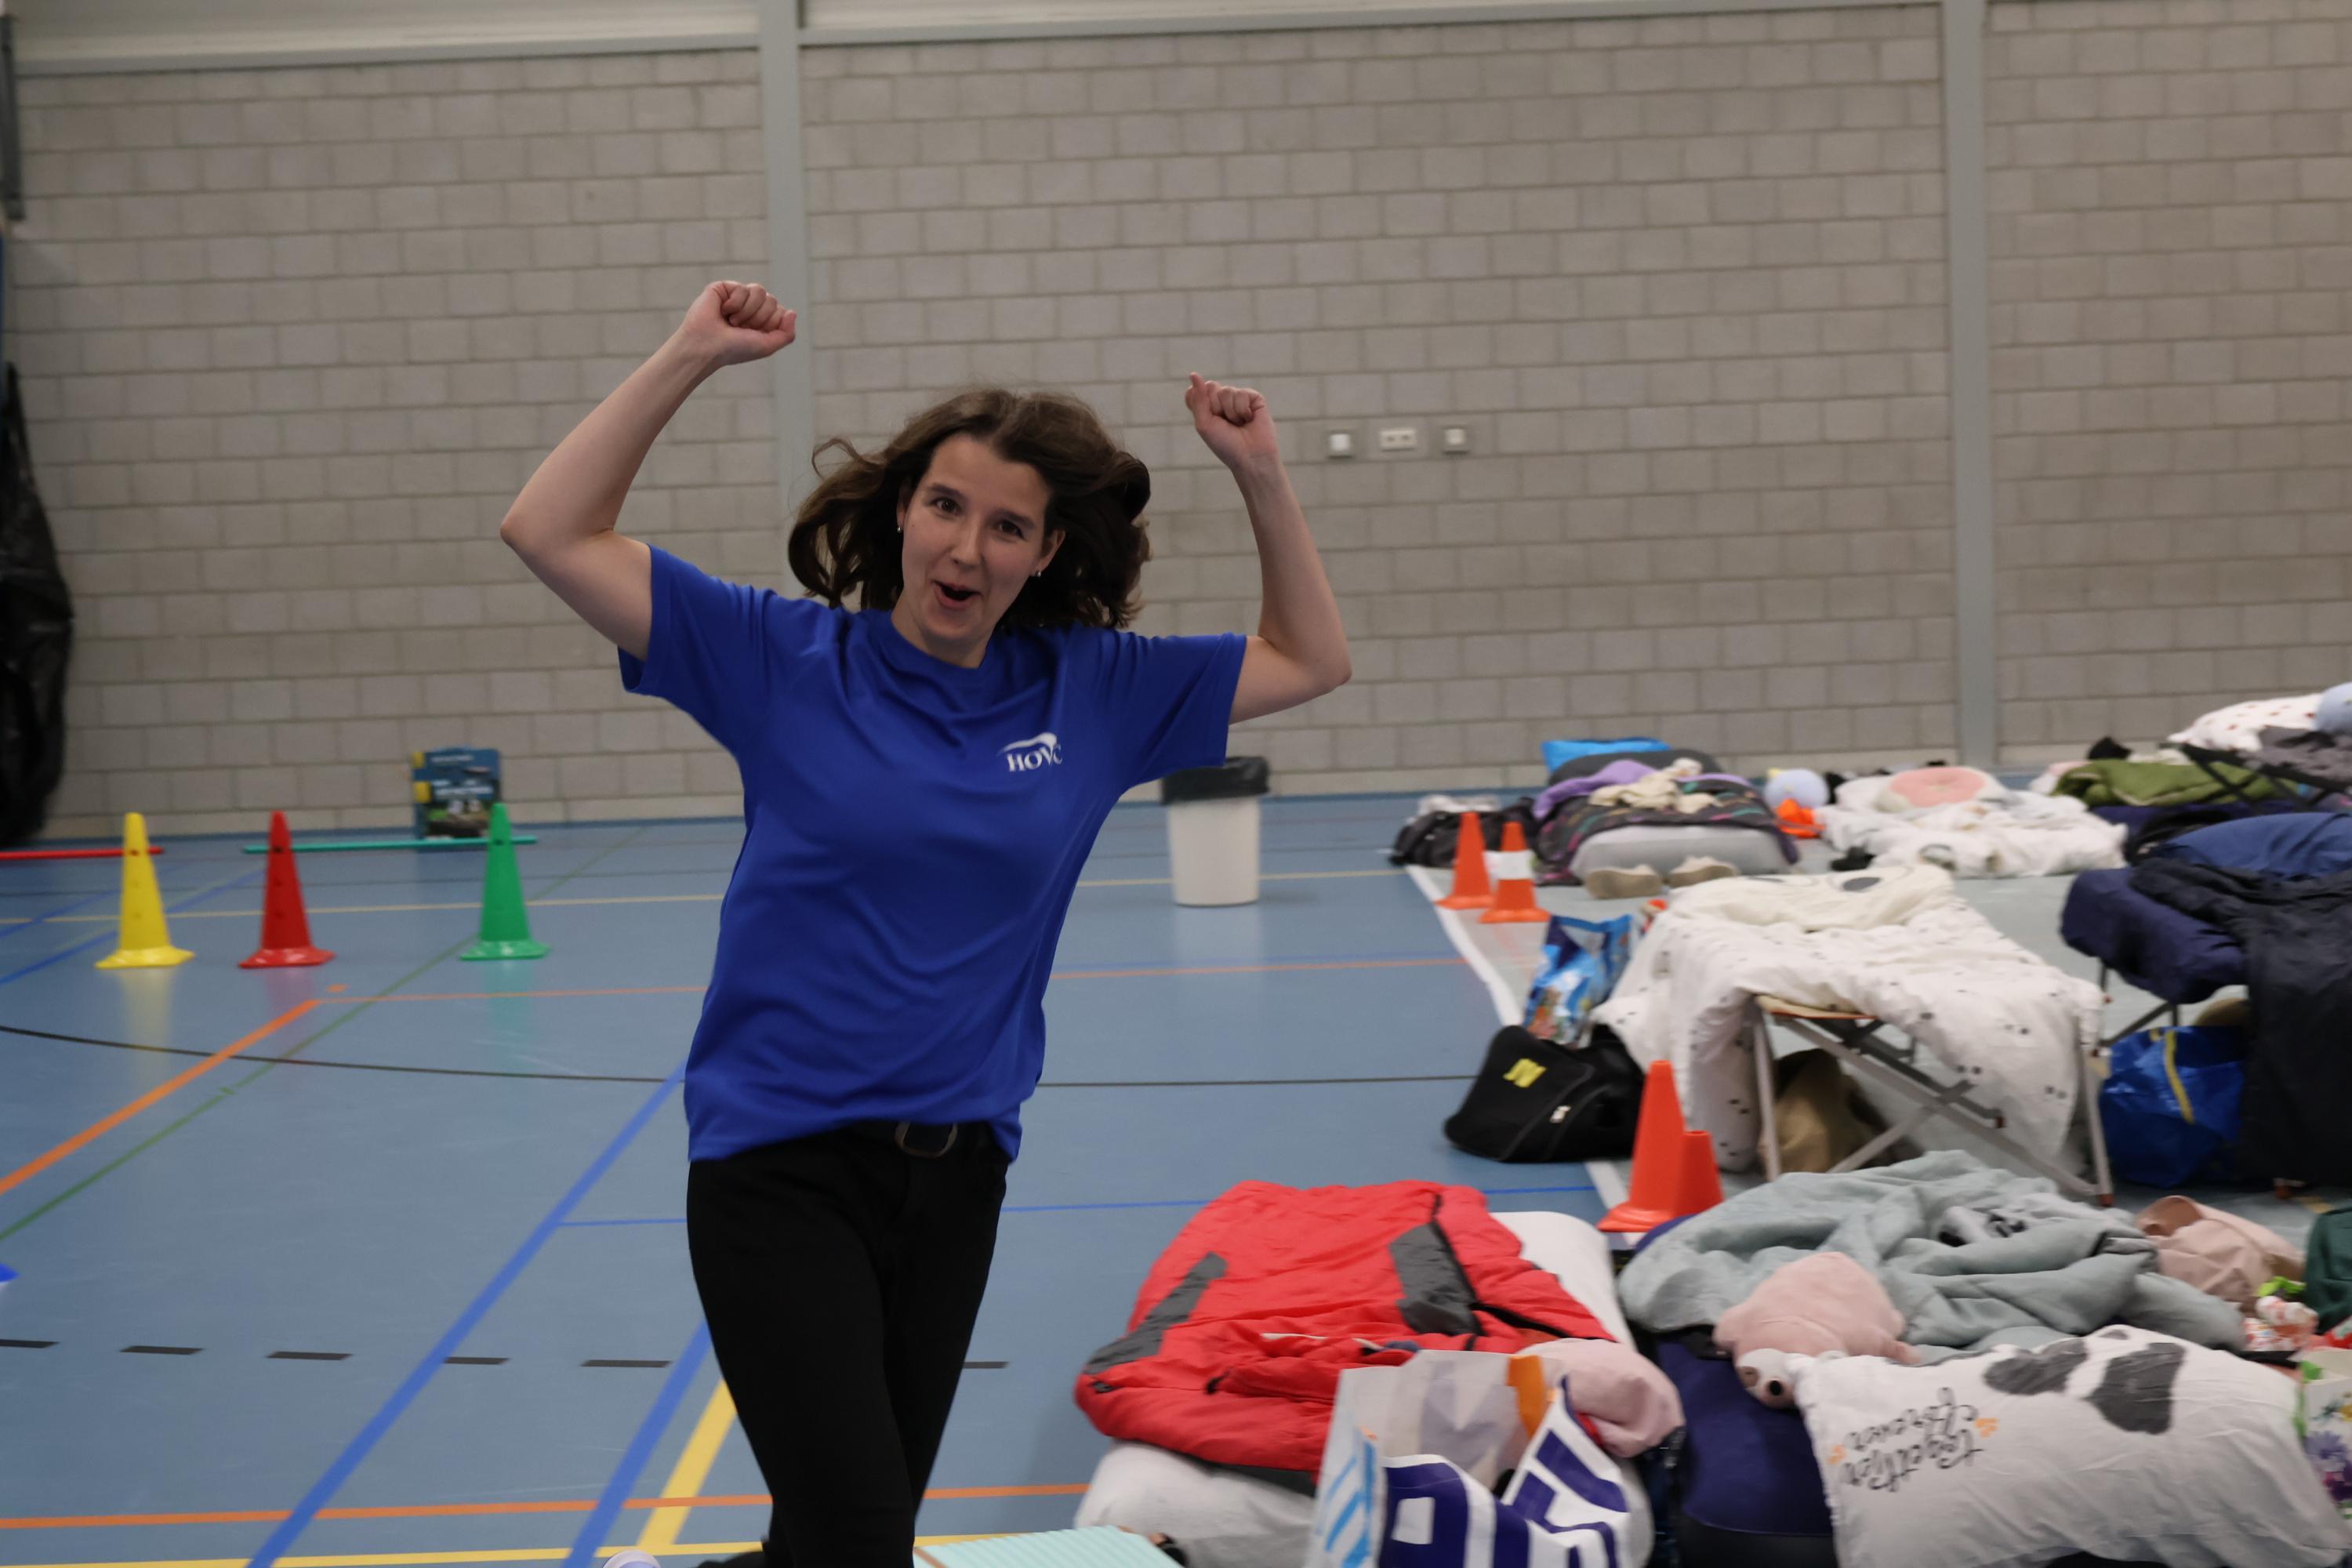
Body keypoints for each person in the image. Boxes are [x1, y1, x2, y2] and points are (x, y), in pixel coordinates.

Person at [499, 279, 1349, 1563]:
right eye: (946, 507)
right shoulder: (782, 662)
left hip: (959, 1178)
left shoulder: (1093, 692)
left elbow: (1312, 658)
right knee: (858, 1536)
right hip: (780, 1166)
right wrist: (690, 353)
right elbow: (549, 529)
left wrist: (1261, 474)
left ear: (1046, 554)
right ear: (902, 510)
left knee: (848, 1534)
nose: (966, 549)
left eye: (1008, 527)